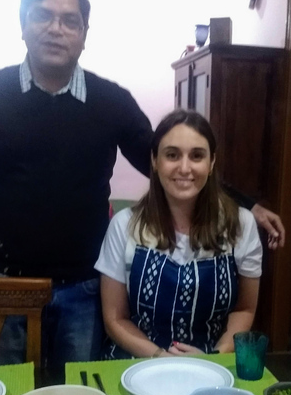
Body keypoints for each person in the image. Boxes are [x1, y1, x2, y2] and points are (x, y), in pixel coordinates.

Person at [0, 0, 283, 376]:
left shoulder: (111, 102)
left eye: (70, 21)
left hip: (85, 288)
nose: (56, 29)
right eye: (43, 16)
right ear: (23, 24)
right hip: (7, 287)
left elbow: (165, 164)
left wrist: (247, 205)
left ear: (85, 34)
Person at [96, 109, 261, 359]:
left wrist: (213, 358)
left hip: (211, 361)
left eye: (197, 156)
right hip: (139, 360)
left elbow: (245, 310)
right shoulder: (124, 225)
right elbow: (115, 318)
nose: (184, 168)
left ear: (211, 162)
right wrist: (160, 356)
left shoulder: (241, 224)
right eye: (172, 155)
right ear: (155, 160)